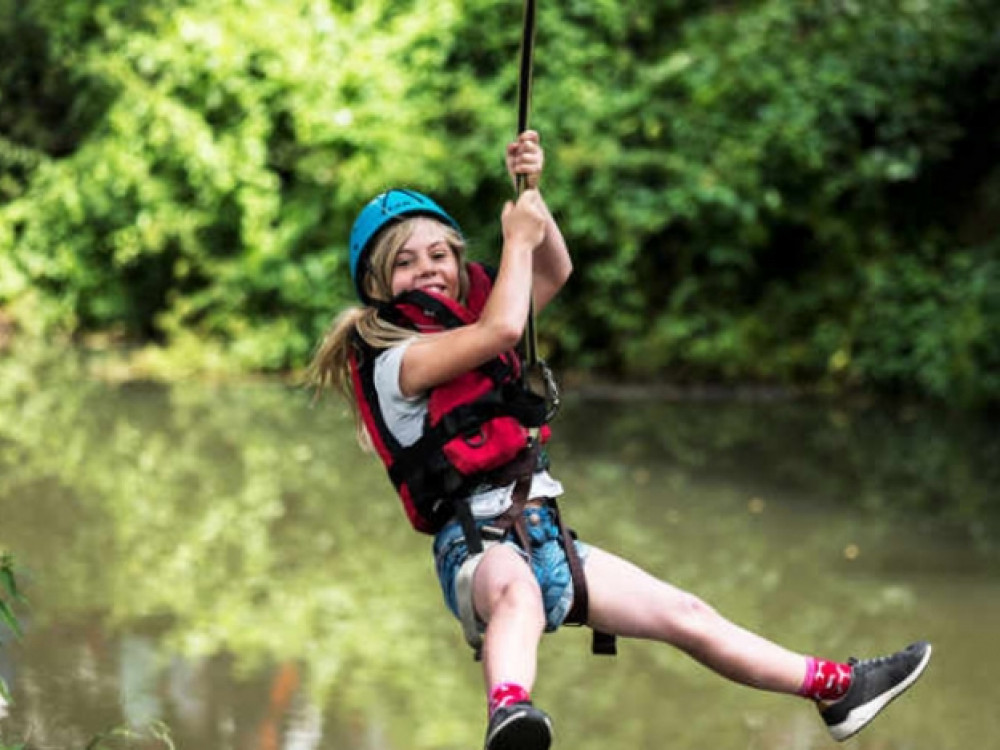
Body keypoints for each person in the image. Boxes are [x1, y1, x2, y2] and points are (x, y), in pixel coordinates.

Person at [309, 131, 932, 750]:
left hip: (544, 533)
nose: (428, 271)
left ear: (454, 257)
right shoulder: (399, 359)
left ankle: (836, 689)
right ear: (377, 285)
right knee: (517, 595)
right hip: (475, 545)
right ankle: (508, 715)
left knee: (687, 615)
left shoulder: (468, 320)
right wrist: (515, 237)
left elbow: (554, 268)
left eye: (438, 255)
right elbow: (505, 326)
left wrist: (533, 192)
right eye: (405, 262)